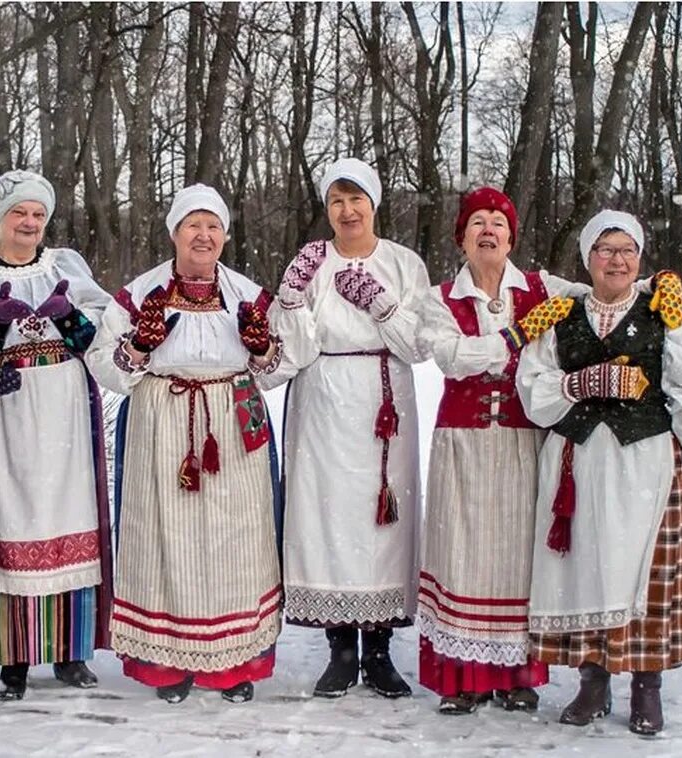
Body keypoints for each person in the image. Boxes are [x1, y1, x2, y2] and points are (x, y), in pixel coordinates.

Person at [516, 210, 682, 735]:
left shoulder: (661, 312)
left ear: (640, 258)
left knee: (643, 576)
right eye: (605, 249)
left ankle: (646, 687)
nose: (617, 260)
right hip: (576, 461)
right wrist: (581, 384)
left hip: (644, 461)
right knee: (584, 569)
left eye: (627, 250)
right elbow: (533, 391)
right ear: (588, 258)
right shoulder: (559, 314)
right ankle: (593, 681)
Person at [87, 184, 283, 704]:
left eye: (213, 226)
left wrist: (262, 346)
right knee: (163, 537)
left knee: (235, 540)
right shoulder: (139, 294)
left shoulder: (246, 293)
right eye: (192, 225)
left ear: (224, 236)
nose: (203, 235)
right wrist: (139, 345)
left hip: (230, 418)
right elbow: (102, 364)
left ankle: (234, 662)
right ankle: (166, 661)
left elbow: (279, 366)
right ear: (174, 233)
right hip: (164, 418)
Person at [416, 187, 602, 715]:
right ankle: (464, 677)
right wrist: (518, 338)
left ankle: (518, 676)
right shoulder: (441, 298)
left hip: (525, 442)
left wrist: (657, 286)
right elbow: (453, 358)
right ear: (463, 237)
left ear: (512, 236)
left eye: (499, 221)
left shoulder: (544, 287)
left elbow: (605, 294)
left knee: (518, 557)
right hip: (464, 443)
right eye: (478, 221)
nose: (489, 230)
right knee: (464, 553)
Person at [0, 170, 114, 700]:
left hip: (62, 398)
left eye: (38, 214)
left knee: (70, 514)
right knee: (12, 519)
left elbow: (104, 331)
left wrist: (69, 320)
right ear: (1, 218)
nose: (30, 223)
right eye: (20, 213)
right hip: (8, 404)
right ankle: (14, 656)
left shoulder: (63, 266)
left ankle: (69, 649)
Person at [263, 158, 430, 699]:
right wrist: (290, 299)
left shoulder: (403, 264)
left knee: (381, 520)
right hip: (324, 395)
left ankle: (379, 651)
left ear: (373, 204)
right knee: (327, 516)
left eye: (356, 199)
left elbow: (419, 344)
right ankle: (339, 649)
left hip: (384, 397)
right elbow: (293, 349)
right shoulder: (311, 262)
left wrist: (381, 307)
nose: (347, 210)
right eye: (336, 200)